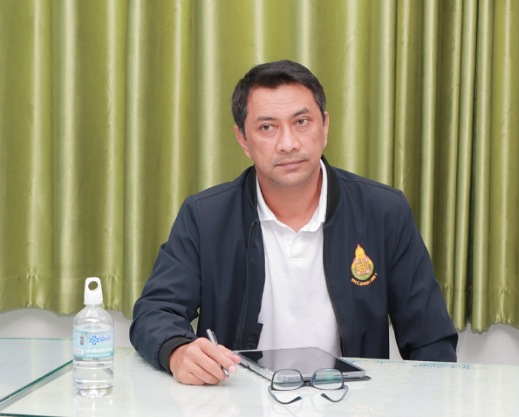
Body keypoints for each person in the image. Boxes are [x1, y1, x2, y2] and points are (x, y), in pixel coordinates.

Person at [130, 59, 458, 385]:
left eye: (302, 122)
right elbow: (155, 311)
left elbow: (431, 340)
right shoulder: (206, 217)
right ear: (243, 139)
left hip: (350, 400)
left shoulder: (383, 211)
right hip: (239, 399)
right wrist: (177, 351)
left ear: (325, 127)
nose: (288, 143)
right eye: (267, 128)